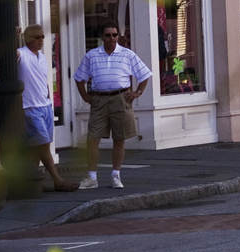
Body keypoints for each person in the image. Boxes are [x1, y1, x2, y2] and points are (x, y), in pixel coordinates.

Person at [73, 24, 152, 190]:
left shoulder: (127, 54)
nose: (111, 38)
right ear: (102, 37)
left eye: (114, 35)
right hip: (99, 99)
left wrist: (137, 92)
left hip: (120, 98)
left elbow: (144, 75)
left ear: (118, 36)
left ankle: (116, 175)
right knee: (92, 138)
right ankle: (92, 177)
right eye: (108, 35)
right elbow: (79, 78)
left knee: (119, 138)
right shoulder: (92, 55)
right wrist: (86, 97)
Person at [18, 25, 76, 191]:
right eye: (37, 37)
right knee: (42, 144)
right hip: (29, 106)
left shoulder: (42, 57)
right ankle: (57, 180)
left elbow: (43, 80)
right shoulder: (22, 54)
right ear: (28, 38)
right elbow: (11, 56)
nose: (41, 40)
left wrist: (49, 98)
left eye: (42, 37)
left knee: (38, 147)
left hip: (45, 105)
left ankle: (31, 182)